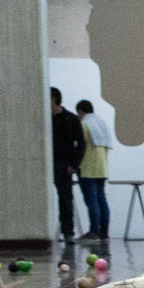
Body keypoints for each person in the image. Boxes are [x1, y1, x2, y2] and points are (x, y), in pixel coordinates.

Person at [49, 86, 84, 242]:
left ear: (54, 99)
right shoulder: (44, 119)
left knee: (65, 199)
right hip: (45, 164)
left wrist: (73, 165)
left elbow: (81, 144)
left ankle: (68, 232)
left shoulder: (70, 118)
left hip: (63, 165)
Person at [75, 100, 113, 240]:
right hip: (102, 168)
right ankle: (104, 232)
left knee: (92, 201)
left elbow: (80, 146)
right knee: (102, 200)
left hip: (87, 168)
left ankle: (93, 232)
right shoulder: (102, 123)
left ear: (80, 111)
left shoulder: (84, 124)